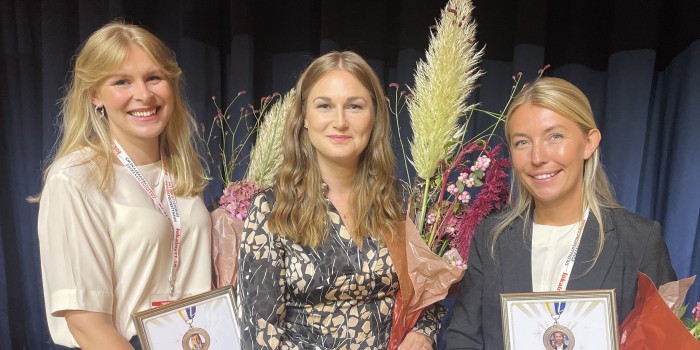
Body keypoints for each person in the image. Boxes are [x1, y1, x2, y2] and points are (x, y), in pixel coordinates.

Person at [443, 77, 676, 349]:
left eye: (555, 136)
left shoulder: (639, 240)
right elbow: (463, 338)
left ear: (589, 143)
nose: (538, 157)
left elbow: (666, 341)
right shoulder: (491, 237)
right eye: (522, 143)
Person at [237, 51, 443, 349]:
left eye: (355, 106)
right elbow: (260, 337)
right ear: (304, 118)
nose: (340, 121)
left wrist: (422, 332)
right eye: (324, 106)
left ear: (374, 117)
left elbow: (427, 294)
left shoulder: (399, 200)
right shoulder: (271, 208)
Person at [36, 21, 211, 349]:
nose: (143, 95)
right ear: (94, 95)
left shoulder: (183, 174)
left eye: (154, 78)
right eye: (121, 82)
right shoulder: (75, 179)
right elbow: (87, 325)